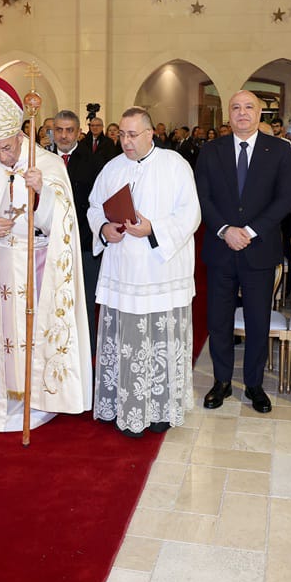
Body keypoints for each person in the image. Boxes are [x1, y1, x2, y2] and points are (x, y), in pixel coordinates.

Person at [0, 77, 93, 431]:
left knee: (36, 333)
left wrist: (41, 192)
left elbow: (64, 223)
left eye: (7, 147)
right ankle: (3, 394)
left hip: (39, 263)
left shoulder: (47, 163)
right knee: (2, 333)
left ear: (19, 134)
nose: (3, 156)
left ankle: (39, 395)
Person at [88, 107, 200, 436]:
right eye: (122, 134)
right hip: (123, 269)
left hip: (160, 269)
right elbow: (94, 207)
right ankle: (125, 405)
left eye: (133, 135)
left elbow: (191, 214)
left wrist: (153, 229)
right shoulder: (112, 168)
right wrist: (104, 228)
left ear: (150, 134)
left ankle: (161, 408)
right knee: (127, 340)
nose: (126, 141)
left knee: (159, 340)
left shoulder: (175, 165)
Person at [196, 90, 291, 413]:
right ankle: (221, 380)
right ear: (229, 114)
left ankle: (254, 383)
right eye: (236, 107)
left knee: (257, 320)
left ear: (259, 113)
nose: (242, 113)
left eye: (249, 107)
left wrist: (250, 231)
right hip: (221, 248)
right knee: (219, 320)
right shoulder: (211, 150)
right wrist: (225, 230)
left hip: (259, 249)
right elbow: (203, 196)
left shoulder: (280, 150)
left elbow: (285, 199)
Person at [51, 109, 107, 340]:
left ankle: (86, 351)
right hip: (50, 243)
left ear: (78, 133)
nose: (64, 135)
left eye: (69, 130)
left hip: (84, 243)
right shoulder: (42, 161)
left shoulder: (94, 162)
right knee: (53, 300)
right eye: (59, 130)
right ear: (52, 132)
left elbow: (100, 204)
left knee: (84, 302)